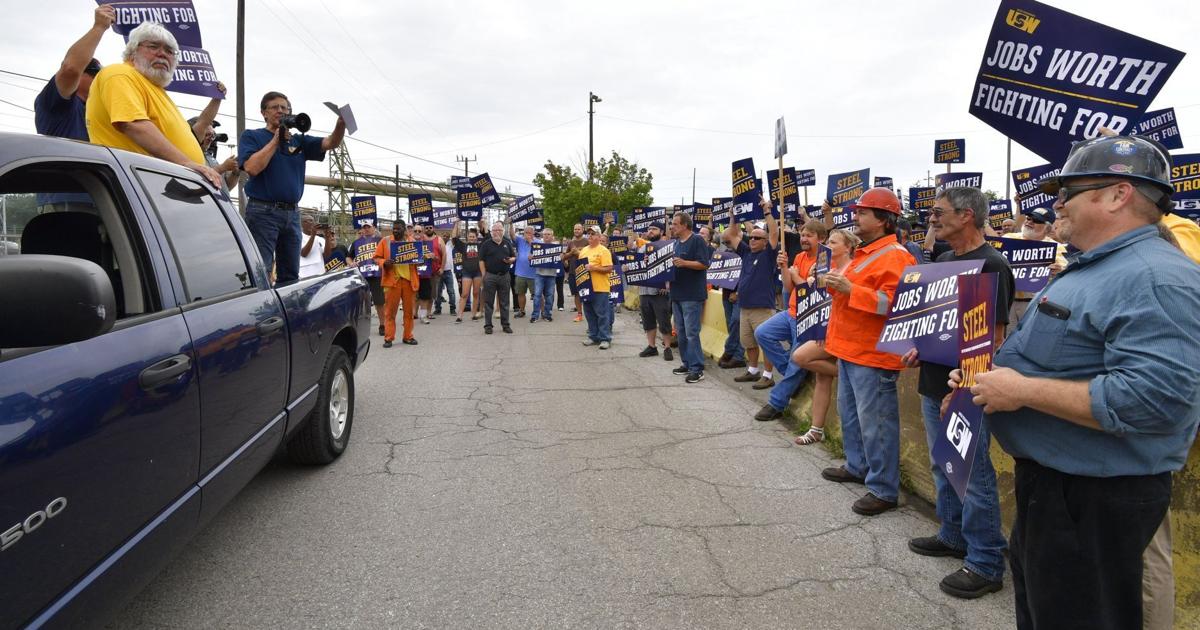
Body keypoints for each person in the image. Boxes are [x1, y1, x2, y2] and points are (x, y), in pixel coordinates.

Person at [956, 135, 1200, 630]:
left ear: (1117, 195)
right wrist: (987, 381)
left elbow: (1154, 401)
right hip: (1057, 492)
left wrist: (1021, 391)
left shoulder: (1154, 277)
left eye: (1069, 189)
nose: (1056, 203)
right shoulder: (1099, 267)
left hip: (1094, 501)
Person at [900, 187, 1014, 600]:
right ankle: (952, 535)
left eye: (938, 211)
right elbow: (934, 325)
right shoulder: (945, 261)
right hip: (933, 382)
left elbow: (993, 338)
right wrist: (917, 347)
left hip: (967, 388)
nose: (931, 217)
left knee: (974, 476)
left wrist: (963, 389)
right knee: (943, 466)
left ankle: (985, 562)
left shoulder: (992, 265)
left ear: (966, 215)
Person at [819, 187, 915, 516]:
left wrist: (850, 289)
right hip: (851, 349)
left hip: (873, 355)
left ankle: (883, 488)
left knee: (877, 424)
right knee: (852, 417)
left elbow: (899, 305)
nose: (855, 217)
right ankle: (858, 466)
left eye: (862, 212)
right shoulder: (866, 253)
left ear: (883, 220)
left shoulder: (897, 256)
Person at [85, 21, 220, 188]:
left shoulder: (155, 89)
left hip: (158, 188)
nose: (162, 54)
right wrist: (186, 162)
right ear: (132, 51)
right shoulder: (119, 73)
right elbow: (133, 124)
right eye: (153, 46)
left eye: (170, 51)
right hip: (134, 186)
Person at [238, 90, 346, 283]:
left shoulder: (299, 141)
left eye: (284, 108)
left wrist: (340, 125)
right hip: (263, 213)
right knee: (261, 270)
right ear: (264, 113)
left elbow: (331, 142)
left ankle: (288, 310)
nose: (280, 111)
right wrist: (276, 140)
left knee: (290, 274)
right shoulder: (252, 136)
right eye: (275, 107)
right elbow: (252, 168)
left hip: (292, 214)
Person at [35, 3, 113, 141]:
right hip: (63, 162)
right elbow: (71, 68)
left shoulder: (97, 114)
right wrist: (99, 27)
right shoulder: (59, 104)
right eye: (96, 73)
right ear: (80, 74)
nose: (100, 80)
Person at [727, 202, 780, 390]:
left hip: (762, 308)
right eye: (751, 237)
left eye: (757, 238)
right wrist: (734, 218)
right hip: (745, 307)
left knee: (766, 343)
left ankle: (768, 375)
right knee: (748, 342)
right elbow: (731, 235)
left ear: (765, 242)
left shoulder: (768, 254)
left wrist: (767, 211)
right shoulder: (746, 252)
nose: (753, 240)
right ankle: (752, 370)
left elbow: (774, 233)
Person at [1000, 207, 1068, 323]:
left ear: (1047, 228)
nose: (1029, 222)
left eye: (1036, 220)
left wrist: (1058, 271)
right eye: (1028, 218)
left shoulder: (1055, 248)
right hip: (1006, 301)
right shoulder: (1008, 239)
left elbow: (1064, 272)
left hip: (1034, 303)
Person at [668, 211, 712, 383]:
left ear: (685, 225)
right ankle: (686, 363)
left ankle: (697, 368)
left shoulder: (697, 240)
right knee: (680, 332)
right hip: (677, 293)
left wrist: (685, 263)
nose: (672, 226)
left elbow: (704, 264)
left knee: (692, 332)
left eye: (675, 223)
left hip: (692, 295)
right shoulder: (676, 243)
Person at [373, 222, 419, 347]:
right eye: (394, 229)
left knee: (409, 312)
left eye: (398, 229)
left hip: (409, 281)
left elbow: (419, 259)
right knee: (390, 312)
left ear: (404, 230)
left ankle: (408, 336)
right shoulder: (385, 241)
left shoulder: (413, 242)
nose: (395, 231)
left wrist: (421, 259)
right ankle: (389, 338)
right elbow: (376, 258)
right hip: (392, 281)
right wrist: (384, 263)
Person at [636, 222, 674, 361]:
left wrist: (666, 284)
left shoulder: (668, 247)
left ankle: (667, 347)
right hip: (644, 290)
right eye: (649, 229)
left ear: (661, 231)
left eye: (654, 229)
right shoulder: (642, 249)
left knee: (663, 320)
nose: (651, 231)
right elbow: (636, 267)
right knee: (648, 320)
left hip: (660, 291)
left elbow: (670, 266)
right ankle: (652, 347)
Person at [715, 227, 747, 371]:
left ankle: (732, 352)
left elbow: (749, 275)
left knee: (736, 322)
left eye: (729, 240)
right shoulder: (724, 252)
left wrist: (738, 292)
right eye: (725, 241)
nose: (727, 242)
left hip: (741, 294)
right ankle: (737, 356)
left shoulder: (746, 252)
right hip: (726, 292)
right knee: (731, 324)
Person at [578, 226, 615, 349]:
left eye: (593, 234)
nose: (590, 236)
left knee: (602, 314)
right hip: (586, 287)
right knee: (589, 314)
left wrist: (594, 268)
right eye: (588, 234)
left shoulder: (603, 251)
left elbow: (609, 268)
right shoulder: (583, 250)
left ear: (599, 237)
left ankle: (605, 338)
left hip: (600, 288)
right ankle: (593, 336)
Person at [187, 113, 239, 192]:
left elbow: (226, 187)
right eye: (207, 135)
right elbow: (196, 183)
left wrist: (236, 172)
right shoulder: (187, 155)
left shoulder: (210, 157)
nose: (211, 139)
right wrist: (223, 167)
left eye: (213, 135)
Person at [479, 221, 516, 334]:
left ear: (503, 231)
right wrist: (484, 275)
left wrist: (511, 260)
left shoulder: (507, 243)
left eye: (499, 230)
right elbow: (481, 260)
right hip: (490, 276)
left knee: (504, 302)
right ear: (491, 232)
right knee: (488, 302)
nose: (497, 232)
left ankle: (505, 325)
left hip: (504, 276)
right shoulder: (486, 244)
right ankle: (488, 326)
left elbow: (514, 257)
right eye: (495, 230)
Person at [350, 221, 386, 335]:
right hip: (362, 276)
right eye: (364, 227)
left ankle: (383, 325)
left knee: (379, 301)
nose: (366, 229)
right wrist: (351, 263)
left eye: (368, 227)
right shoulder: (356, 243)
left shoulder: (381, 240)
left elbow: (387, 254)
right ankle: (359, 328)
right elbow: (348, 257)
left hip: (377, 275)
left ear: (374, 228)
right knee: (360, 303)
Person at [452, 221, 483, 323]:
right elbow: (454, 238)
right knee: (464, 294)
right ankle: (459, 315)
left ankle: (473, 315)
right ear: (467, 237)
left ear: (476, 237)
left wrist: (482, 223)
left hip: (478, 273)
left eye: (473, 236)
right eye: (470, 236)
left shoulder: (480, 246)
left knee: (476, 293)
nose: (471, 238)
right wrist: (456, 224)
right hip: (467, 273)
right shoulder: (463, 246)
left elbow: (487, 237)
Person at [531, 228, 559, 322]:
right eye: (545, 234)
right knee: (537, 295)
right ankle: (535, 315)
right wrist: (530, 257)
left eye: (548, 234)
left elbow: (561, 259)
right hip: (539, 274)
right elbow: (531, 257)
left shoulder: (556, 247)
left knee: (550, 295)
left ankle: (547, 314)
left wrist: (561, 256)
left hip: (551, 274)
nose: (546, 236)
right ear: (542, 236)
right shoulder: (538, 246)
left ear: (552, 236)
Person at [563, 223, 588, 322]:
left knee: (586, 293)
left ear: (582, 230)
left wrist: (578, 252)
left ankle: (589, 313)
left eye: (578, 229)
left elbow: (590, 255)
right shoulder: (571, 242)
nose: (576, 231)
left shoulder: (587, 241)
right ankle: (579, 314)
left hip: (584, 271)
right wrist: (571, 253)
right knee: (576, 294)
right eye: (575, 229)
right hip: (573, 271)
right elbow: (565, 257)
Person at [511, 225, 538, 318]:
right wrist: (511, 224)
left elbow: (539, 252)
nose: (527, 235)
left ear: (533, 233)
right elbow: (512, 235)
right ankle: (522, 311)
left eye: (529, 233)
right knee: (520, 293)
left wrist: (530, 241)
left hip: (534, 274)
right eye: (526, 233)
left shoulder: (538, 242)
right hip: (520, 273)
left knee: (537, 295)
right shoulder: (520, 240)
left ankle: (541, 312)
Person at [298, 214, 332, 279]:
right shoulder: (298, 237)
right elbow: (304, 254)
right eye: (306, 221)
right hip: (304, 276)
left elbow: (327, 255)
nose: (310, 223)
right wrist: (313, 235)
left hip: (320, 274)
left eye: (311, 221)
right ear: (302, 224)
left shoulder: (320, 239)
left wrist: (327, 239)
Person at [434, 228, 457, 317]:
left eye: (447, 236)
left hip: (448, 271)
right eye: (444, 236)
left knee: (451, 291)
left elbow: (455, 236)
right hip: (439, 271)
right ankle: (438, 309)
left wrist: (456, 224)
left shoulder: (451, 244)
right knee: (438, 292)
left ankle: (453, 309)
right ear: (441, 236)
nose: (446, 237)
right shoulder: (439, 244)